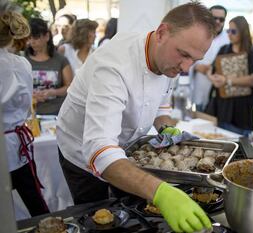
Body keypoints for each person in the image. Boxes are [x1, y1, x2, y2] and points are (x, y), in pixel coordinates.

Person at [56, 2, 215, 232]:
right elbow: (99, 150)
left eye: (195, 60)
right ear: (161, 33)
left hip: (125, 150)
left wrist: (164, 127)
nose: (186, 67)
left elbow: (161, 103)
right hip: (81, 151)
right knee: (99, 220)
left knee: (134, 215)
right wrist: (161, 193)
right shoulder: (114, 66)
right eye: (183, 55)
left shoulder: (169, 58)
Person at [0, 11, 50, 216]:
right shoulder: (22, 64)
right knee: (34, 201)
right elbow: (26, 100)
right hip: (16, 141)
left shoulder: (19, 63)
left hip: (11, 139)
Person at [205, 16, 253, 136]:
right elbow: (211, 70)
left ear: (243, 32)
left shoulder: (252, 53)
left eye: (233, 31)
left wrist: (226, 80)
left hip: (243, 112)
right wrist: (213, 79)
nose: (229, 34)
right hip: (223, 109)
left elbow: (252, 80)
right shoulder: (224, 49)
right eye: (228, 30)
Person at [25, 18, 74, 115]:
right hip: (29, 116)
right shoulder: (23, 61)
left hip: (55, 114)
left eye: (36, 38)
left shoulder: (61, 60)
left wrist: (53, 92)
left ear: (47, 36)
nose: (32, 42)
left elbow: (70, 87)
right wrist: (30, 95)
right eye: (29, 38)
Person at [189, 5, 229, 111]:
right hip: (199, 89)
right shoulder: (196, 36)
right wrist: (196, 67)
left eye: (221, 19)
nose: (217, 21)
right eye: (214, 18)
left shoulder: (229, 40)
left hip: (219, 96)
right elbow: (186, 58)